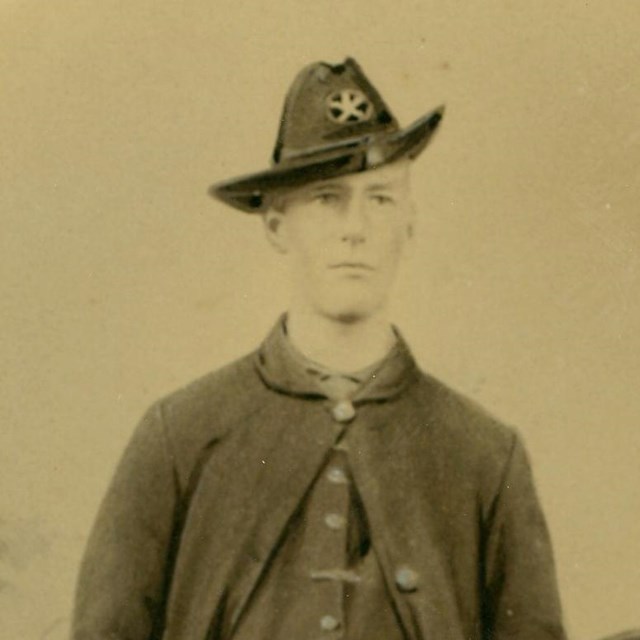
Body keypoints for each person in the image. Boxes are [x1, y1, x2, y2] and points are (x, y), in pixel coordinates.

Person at [72, 57, 567, 640]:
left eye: (380, 199)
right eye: (327, 199)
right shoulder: (178, 438)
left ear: (411, 222)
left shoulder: (486, 456)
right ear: (278, 226)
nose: (354, 228)